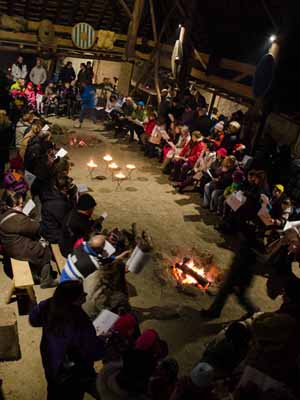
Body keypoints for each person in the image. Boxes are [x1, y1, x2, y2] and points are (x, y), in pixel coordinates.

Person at [29, 281, 105, 400]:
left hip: (50, 361)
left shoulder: (48, 304)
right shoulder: (80, 321)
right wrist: (102, 339)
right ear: (73, 299)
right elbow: (94, 352)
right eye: (81, 294)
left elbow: (33, 320)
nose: (85, 295)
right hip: (71, 374)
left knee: (53, 391)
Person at [0, 192, 56, 288]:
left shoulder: (4, 213)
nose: (22, 206)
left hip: (10, 246)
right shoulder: (19, 219)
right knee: (44, 248)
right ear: (14, 205)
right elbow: (36, 228)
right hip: (18, 250)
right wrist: (29, 218)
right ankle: (46, 280)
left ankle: (36, 273)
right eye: (21, 205)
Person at [201, 240, 260, 319]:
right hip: (238, 273)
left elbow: (244, 267)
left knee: (240, 296)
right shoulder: (246, 246)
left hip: (240, 276)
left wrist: (238, 280)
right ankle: (214, 311)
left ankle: (255, 311)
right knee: (225, 292)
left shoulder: (249, 250)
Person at [59, 234, 130, 283]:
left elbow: (97, 257)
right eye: (104, 248)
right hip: (70, 286)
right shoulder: (94, 264)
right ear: (100, 251)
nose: (106, 250)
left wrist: (117, 257)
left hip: (65, 275)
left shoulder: (82, 245)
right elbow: (107, 272)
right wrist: (121, 268)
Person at [40, 176, 74, 244]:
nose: (71, 188)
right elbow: (66, 221)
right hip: (54, 235)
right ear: (64, 188)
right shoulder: (59, 204)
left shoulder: (51, 193)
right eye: (70, 186)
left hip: (48, 228)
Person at [0, 110, 13, 182]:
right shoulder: (8, 125)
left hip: (3, 147)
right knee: (2, 165)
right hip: (4, 148)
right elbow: (10, 138)